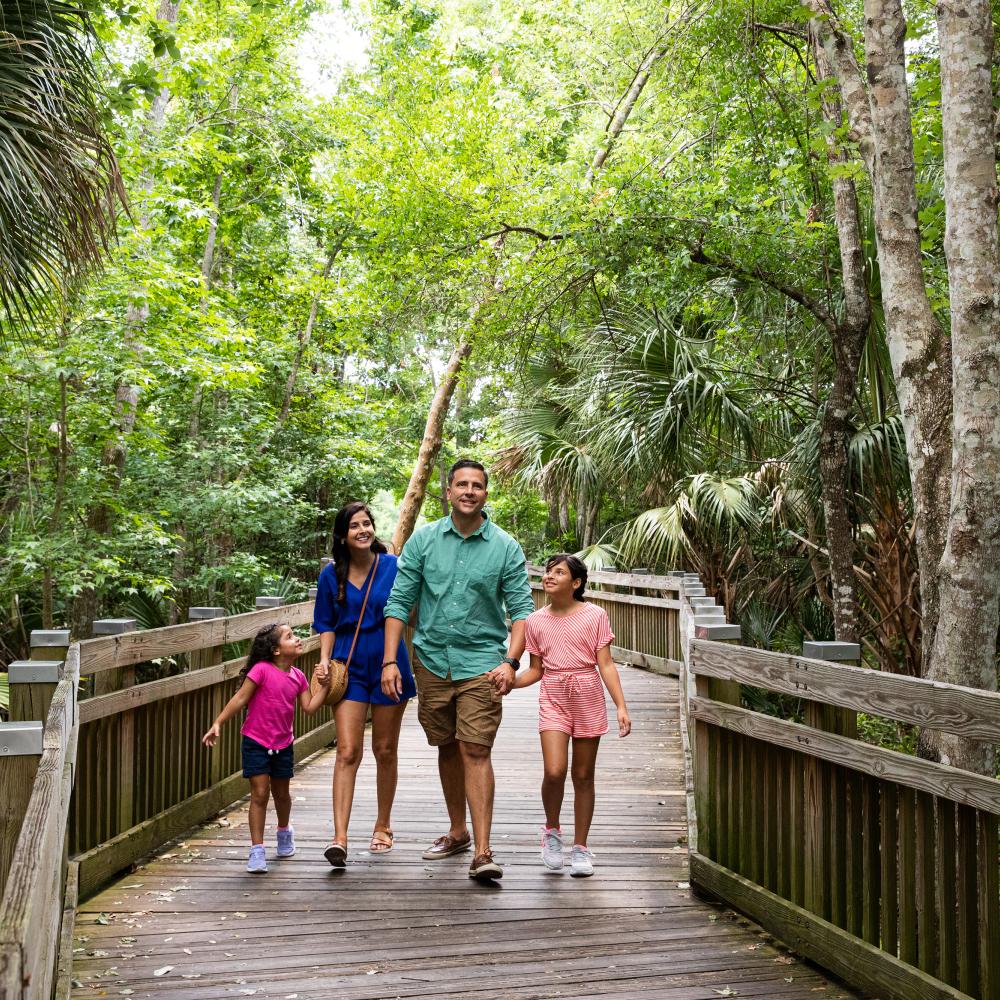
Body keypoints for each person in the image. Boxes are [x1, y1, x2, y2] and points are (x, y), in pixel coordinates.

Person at [381, 459, 534, 881]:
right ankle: (457, 831)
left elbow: (521, 610)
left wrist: (511, 661)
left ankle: (483, 852)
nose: (469, 491)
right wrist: (390, 660)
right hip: (430, 660)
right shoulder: (424, 540)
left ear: (486, 494)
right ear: (448, 492)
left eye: (477, 485)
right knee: (446, 745)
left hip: (482, 663)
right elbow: (398, 603)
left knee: (475, 748)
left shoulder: (505, 546)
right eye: (461, 484)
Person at [514, 553, 631, 877]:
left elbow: (605, 663)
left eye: (559, 572)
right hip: (553, 693)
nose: (549, 576)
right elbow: (535, 670)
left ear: (576, 583)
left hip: (588, 694)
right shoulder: (535, 621)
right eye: (548, 571)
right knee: (554, 771)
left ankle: (580, 847)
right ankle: (551, 832)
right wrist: (510, 683)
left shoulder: (595, 615)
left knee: (582, 775)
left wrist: (620, 705)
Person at [313, 501, 416, 867]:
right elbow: (325, 621)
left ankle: (383, 825)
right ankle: (339, 836)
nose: (363, 530)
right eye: (355, 525)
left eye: (367, 523)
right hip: (349, 664)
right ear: (342, 536)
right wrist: (324, 661)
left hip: (390, 663)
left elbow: (405, 609)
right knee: (347, 750)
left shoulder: (392, 566)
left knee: (385, 749)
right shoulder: (331, 575)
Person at [202, 623, 331, 873]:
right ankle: (257, 849)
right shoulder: (261, 670)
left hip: (283, 743)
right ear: (275, 650)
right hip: (256, 741)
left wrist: (326, 685)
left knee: (281, 794)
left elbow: (309, 707)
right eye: (290, 636)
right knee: (259, 793)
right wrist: (218, 722)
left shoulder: (299, 677)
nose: (297, 639)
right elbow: (240, 698)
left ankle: (284, 832)